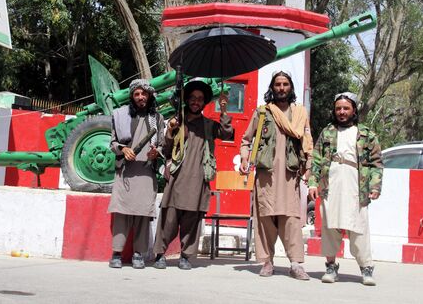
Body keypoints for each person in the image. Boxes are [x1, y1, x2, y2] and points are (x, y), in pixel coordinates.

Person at [239, 71, 313, 280]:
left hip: (290, 174)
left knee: (291, 218)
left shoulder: (299, 113)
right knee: (265, 217)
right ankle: (267, 261)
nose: (281, 88)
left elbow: (307, 142)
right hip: (266, 174)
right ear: (272, 88)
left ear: (291, 88)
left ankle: (295, 263)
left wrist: (308, 167)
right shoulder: (263, 112)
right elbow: (246, 140)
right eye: (278, 84)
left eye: (285, 84)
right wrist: (245, 158)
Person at [153, 80, 233, 270]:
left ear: (204, 103)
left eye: (200, 99)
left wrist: (223, 111)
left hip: (198, 179)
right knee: (169, 217)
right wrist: (171, 131)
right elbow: (166, 148)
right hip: (177, 178)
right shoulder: (177, 121)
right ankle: (159, 254)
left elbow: (227, 134)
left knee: (192, 218)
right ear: (187, 100)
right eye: (193, 98)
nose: (196, 102)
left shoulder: (208, 125)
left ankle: (186, 256)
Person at [308, 92, 383, 286]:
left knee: (359, 226)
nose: (341, 112)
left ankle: (366, 268)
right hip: (330, 182)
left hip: (356, 183)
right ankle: (331, 266)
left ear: (354, 110)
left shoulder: (366, 133)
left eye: (346, 108)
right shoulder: (327, 132)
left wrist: (375, 186)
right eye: (338, 108)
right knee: (330, 225)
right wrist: (313, 183)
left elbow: (376, 163)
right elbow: (316, 159)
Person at [108, 79, 164, 269]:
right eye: (137, 94)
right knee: (121, 213)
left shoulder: (157, 118)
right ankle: (116, 253)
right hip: (125, 171)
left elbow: (163, 144)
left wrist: (156, 152)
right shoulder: (121, 115)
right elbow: (113, 143)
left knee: (142, 214)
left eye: (144, 94)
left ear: (149, 96)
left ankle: (138, 254)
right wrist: (123, 150)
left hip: (146, 171)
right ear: (132, 96)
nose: (141, 97)